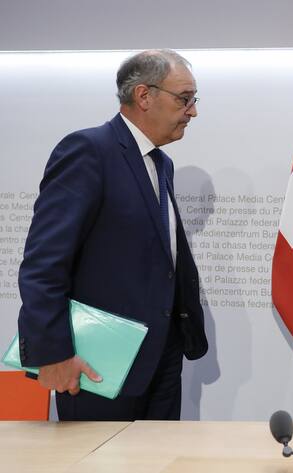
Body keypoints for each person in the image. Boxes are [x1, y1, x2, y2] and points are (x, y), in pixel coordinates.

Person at [17, 49, 207, 421]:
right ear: (144, 96)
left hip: (160, 358)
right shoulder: (88, 151)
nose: (193, 111)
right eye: (184, 99)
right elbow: (44, 262)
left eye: (193, 100)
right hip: (97, 363)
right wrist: (52, 353)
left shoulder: (161, 163)